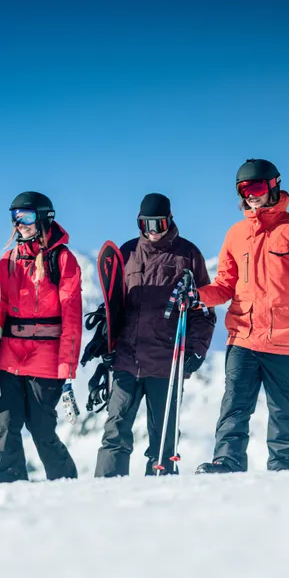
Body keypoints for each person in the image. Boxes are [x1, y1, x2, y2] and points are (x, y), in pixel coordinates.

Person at [193, 159, 289, 474]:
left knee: (283, 410)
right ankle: (227, 461)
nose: (250, 195)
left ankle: (284, 468)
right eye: (243, 189)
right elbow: (225, 286)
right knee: (234, 405)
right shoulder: (236, 234)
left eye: (255, 187)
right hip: (242, 335)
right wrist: (196, 297)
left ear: (272, 186)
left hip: (285, 338)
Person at [94, 193, 216, 477]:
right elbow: (114, 304)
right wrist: (106, 340)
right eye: (146, 223)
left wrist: (197, 349)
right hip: (127, 359)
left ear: (170, 220)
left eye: (159, 223)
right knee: (115, 430)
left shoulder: (188, 254)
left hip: (166, 363)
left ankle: (161, 493)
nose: (153, 229)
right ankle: (105, 491)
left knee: (163, 437)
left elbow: (204, 308)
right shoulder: (126, 253)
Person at [0, 192, 82, 483]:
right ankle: (10, 487)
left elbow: (72, 317)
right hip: (10, 356)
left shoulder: (62, 260)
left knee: (42, 429)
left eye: (25, 217)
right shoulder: (8, 260)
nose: (19, 224)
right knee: (8, 425)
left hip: (46, 356)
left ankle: (65, 482)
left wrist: (67, 368)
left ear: (42, 217)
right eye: (14, 217)